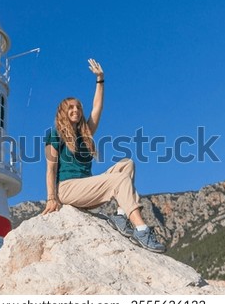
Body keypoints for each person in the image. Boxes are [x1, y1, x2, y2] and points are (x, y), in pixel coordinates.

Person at [42, 59, 165, 254]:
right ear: (63, 113)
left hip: (86, 188)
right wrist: (51, 198)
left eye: (78, 108)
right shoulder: (55, 134)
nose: (75, 110)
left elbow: (97, 108)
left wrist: (100, 80)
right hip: (66, 189)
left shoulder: (85, 134)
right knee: (120, 179)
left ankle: (120, 216)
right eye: (70, 108)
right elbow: (50, 168)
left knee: (127, 164)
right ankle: (141, 229)